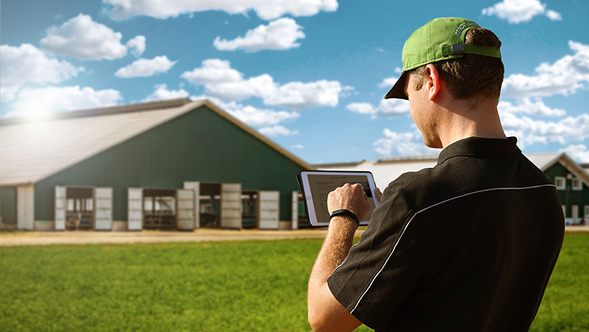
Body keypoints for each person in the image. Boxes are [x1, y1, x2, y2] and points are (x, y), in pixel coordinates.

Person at [308, 17, 564, 332]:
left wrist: (344, 216)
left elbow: (324, 319)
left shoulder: (418, 198)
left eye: (407, 93)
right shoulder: (542, 190)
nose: (410, 109)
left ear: (431, 79)